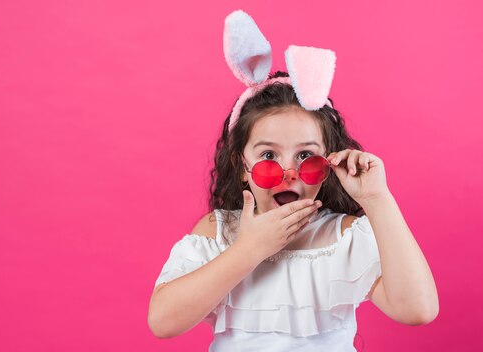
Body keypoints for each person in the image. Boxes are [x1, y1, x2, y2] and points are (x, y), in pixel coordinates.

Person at [147, 10, 439, 351]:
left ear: (328, 164)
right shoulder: (218, 231)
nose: (289, 174)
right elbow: (163, 321)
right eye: (269, 156)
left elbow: (418, 309)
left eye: (305, 157)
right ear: (241, 165)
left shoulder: (340, 237)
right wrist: (251, 248)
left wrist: (378, 199)